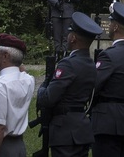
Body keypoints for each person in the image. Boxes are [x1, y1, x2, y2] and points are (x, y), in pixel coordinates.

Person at [37, 14, 100, 157]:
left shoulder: (68, 64)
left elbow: (48, 98)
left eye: (69, 32)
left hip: (65, 132)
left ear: (73, 38)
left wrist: (42, 88)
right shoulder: (90, 64)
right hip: (81, 128)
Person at [90, 2, 124, 157]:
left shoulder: (109, 55)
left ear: (115, 27)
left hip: (108, 123)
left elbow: (94, 86)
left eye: (111, 22)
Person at [0, 33, 37, 157]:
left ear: (5, 56)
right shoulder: (29, 80)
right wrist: (17, 60)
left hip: (4, 146)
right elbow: (22, 69)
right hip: (19, 145)